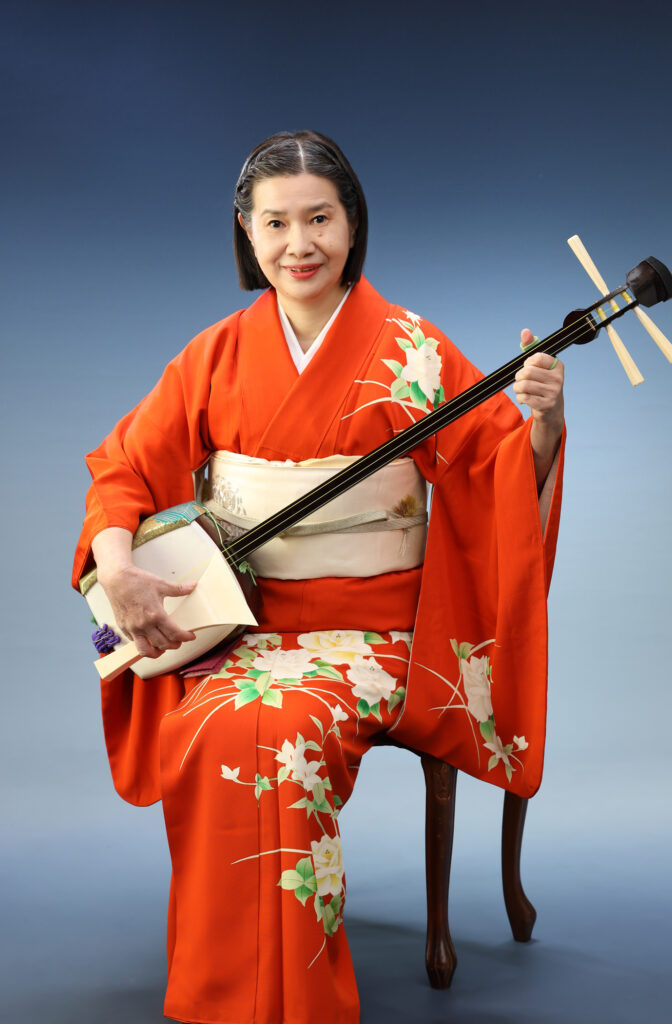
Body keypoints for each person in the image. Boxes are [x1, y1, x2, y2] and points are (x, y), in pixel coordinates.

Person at [73, 130, 565, 1024]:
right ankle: (228, 987)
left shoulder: (412, 350)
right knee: (217, 725)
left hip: (374, 635)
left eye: (319, 219)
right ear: (246, 231)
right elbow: (125, 467)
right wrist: (117, 562)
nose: (299, 244)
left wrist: (540, 427)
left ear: (352, 224)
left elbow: (494, 470)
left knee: (281, 728)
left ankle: (289, 993)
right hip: (247, 627)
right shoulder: (215, 355)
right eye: (276, 223)